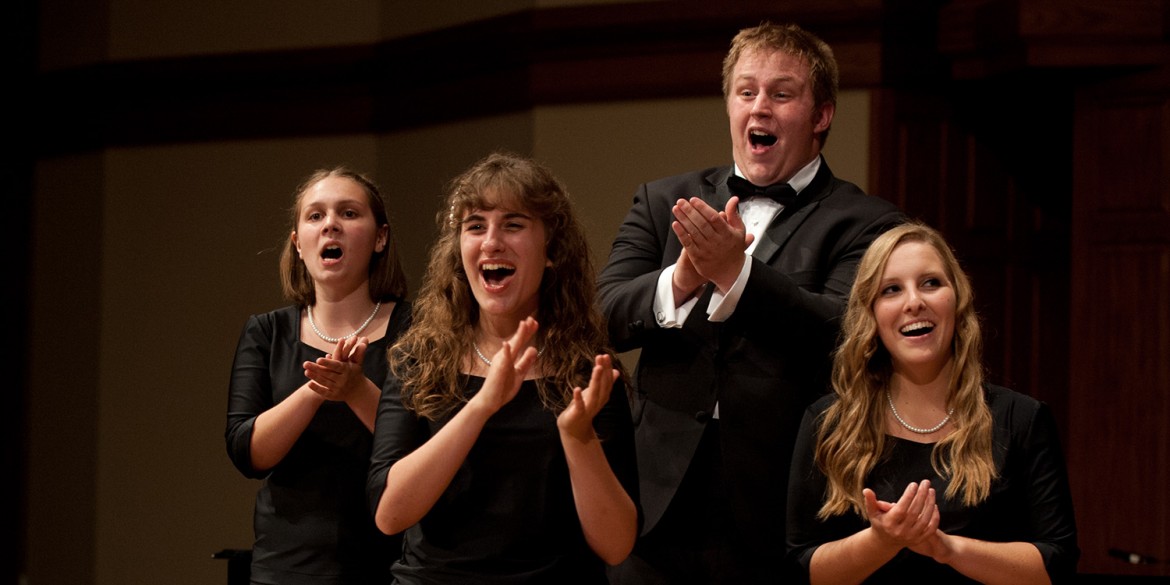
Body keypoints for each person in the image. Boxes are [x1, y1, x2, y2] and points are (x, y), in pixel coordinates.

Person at [598, 21, 904, 583]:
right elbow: (601, 316)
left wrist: (738, 275)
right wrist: (683, 277)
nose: (759, 108)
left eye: (781, 94)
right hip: (654, 496)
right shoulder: (662, 199)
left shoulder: (869, 222)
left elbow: (844, 334)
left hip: (782, 498)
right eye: (746, 92)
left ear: (822, 116)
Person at [367, 151, 639, 584]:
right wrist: (481, 407)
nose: (491, 241)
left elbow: (617, 543)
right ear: (459, 250)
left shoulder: (588, 373)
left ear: (551, 250)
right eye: (475, 226)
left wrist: (577, 437)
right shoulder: (419, 359)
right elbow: (389, 513)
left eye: (513, 224)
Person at [786, 221, 1079, 583]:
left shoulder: (1022, 418)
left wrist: (945, 548)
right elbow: (802, 567)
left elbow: (1057, 562)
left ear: (957, 300)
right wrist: (882, 540)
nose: (914, 302)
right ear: (871, 315)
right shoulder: (826, 422)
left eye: (931, 283)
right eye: (891, 289)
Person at [226, 167, 412, 585]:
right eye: (315, 216)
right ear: (298, 243)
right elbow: (247, 452)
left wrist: (356, 390)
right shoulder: (267, 332)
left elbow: (423, 444)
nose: (330, 224)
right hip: (286, 567)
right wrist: (317, 389)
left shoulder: (416, 329)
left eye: (348, 213)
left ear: (380, 237)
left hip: (390, 565)